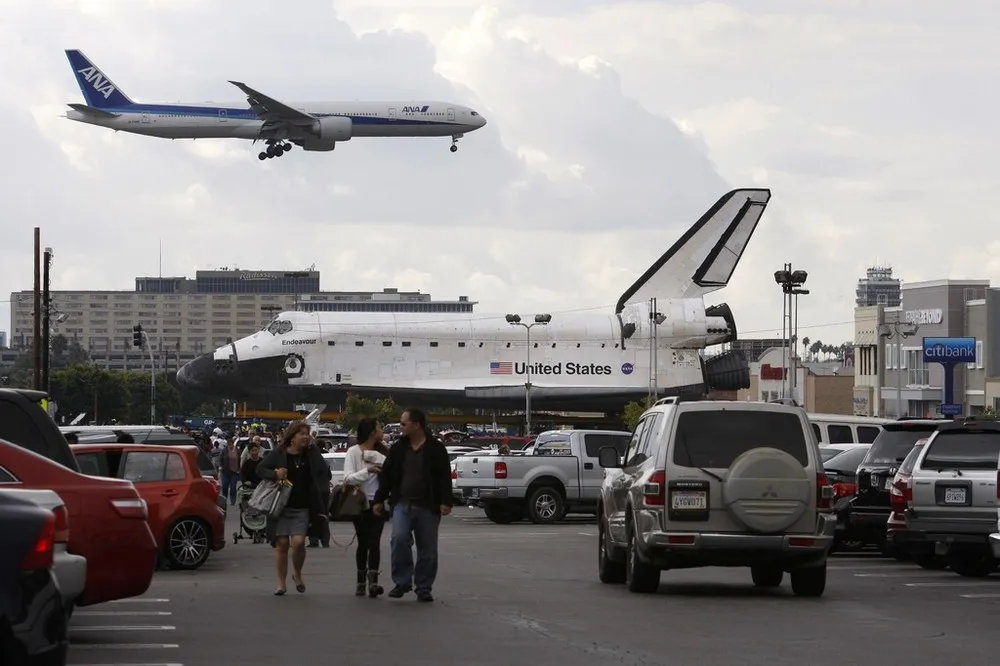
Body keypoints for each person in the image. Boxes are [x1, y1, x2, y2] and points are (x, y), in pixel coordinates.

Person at [373, 407, 453, 602]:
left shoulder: (435, 448)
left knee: (428, 548)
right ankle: (402, 582)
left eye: (403, 423)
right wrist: (378, 499)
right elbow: (387, 476)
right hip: (402, 503)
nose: (400, 427)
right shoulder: (399, 448)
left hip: (428, 506)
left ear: (416, 425)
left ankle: (423, 587)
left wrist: (446, 501)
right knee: (399, 539)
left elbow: (444, 477)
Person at [257, 421, 329, 595]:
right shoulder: (279, 454)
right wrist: (275, 474)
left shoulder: (311, 453)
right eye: (301, 433)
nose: (306, 436)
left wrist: (314, 451)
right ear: (292, 437)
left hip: (303, 507)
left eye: (308, 433)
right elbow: (260, 469)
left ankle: (297, 573)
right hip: (280, 506)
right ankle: (281, 583)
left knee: (298, 543)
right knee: (282, 544)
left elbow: (323, 472)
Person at [343, 417, 389, 597]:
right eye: (379, 427)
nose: (381, 430)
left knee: (375, 543)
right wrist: (367, 471)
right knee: (363, 543)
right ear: (371, 432)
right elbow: (348, 478)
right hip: (360, 504)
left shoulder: (382, 452)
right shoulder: (353, 452)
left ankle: (373, 583)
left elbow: (392, 471)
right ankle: (360, 581)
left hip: (377, 503)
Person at [219, 437, 240, 505]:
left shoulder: (237, 450)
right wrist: (220, 466)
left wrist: (239, 469)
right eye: (228, 445)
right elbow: (220, 459)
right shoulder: (224, 450)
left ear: (233, 444)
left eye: (231, 444)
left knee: (233, 487)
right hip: (225, 471)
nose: (230, 446)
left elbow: (240, 460)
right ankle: (224, 500)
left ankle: (233, 501)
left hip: (234, 472)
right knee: (225, 486)